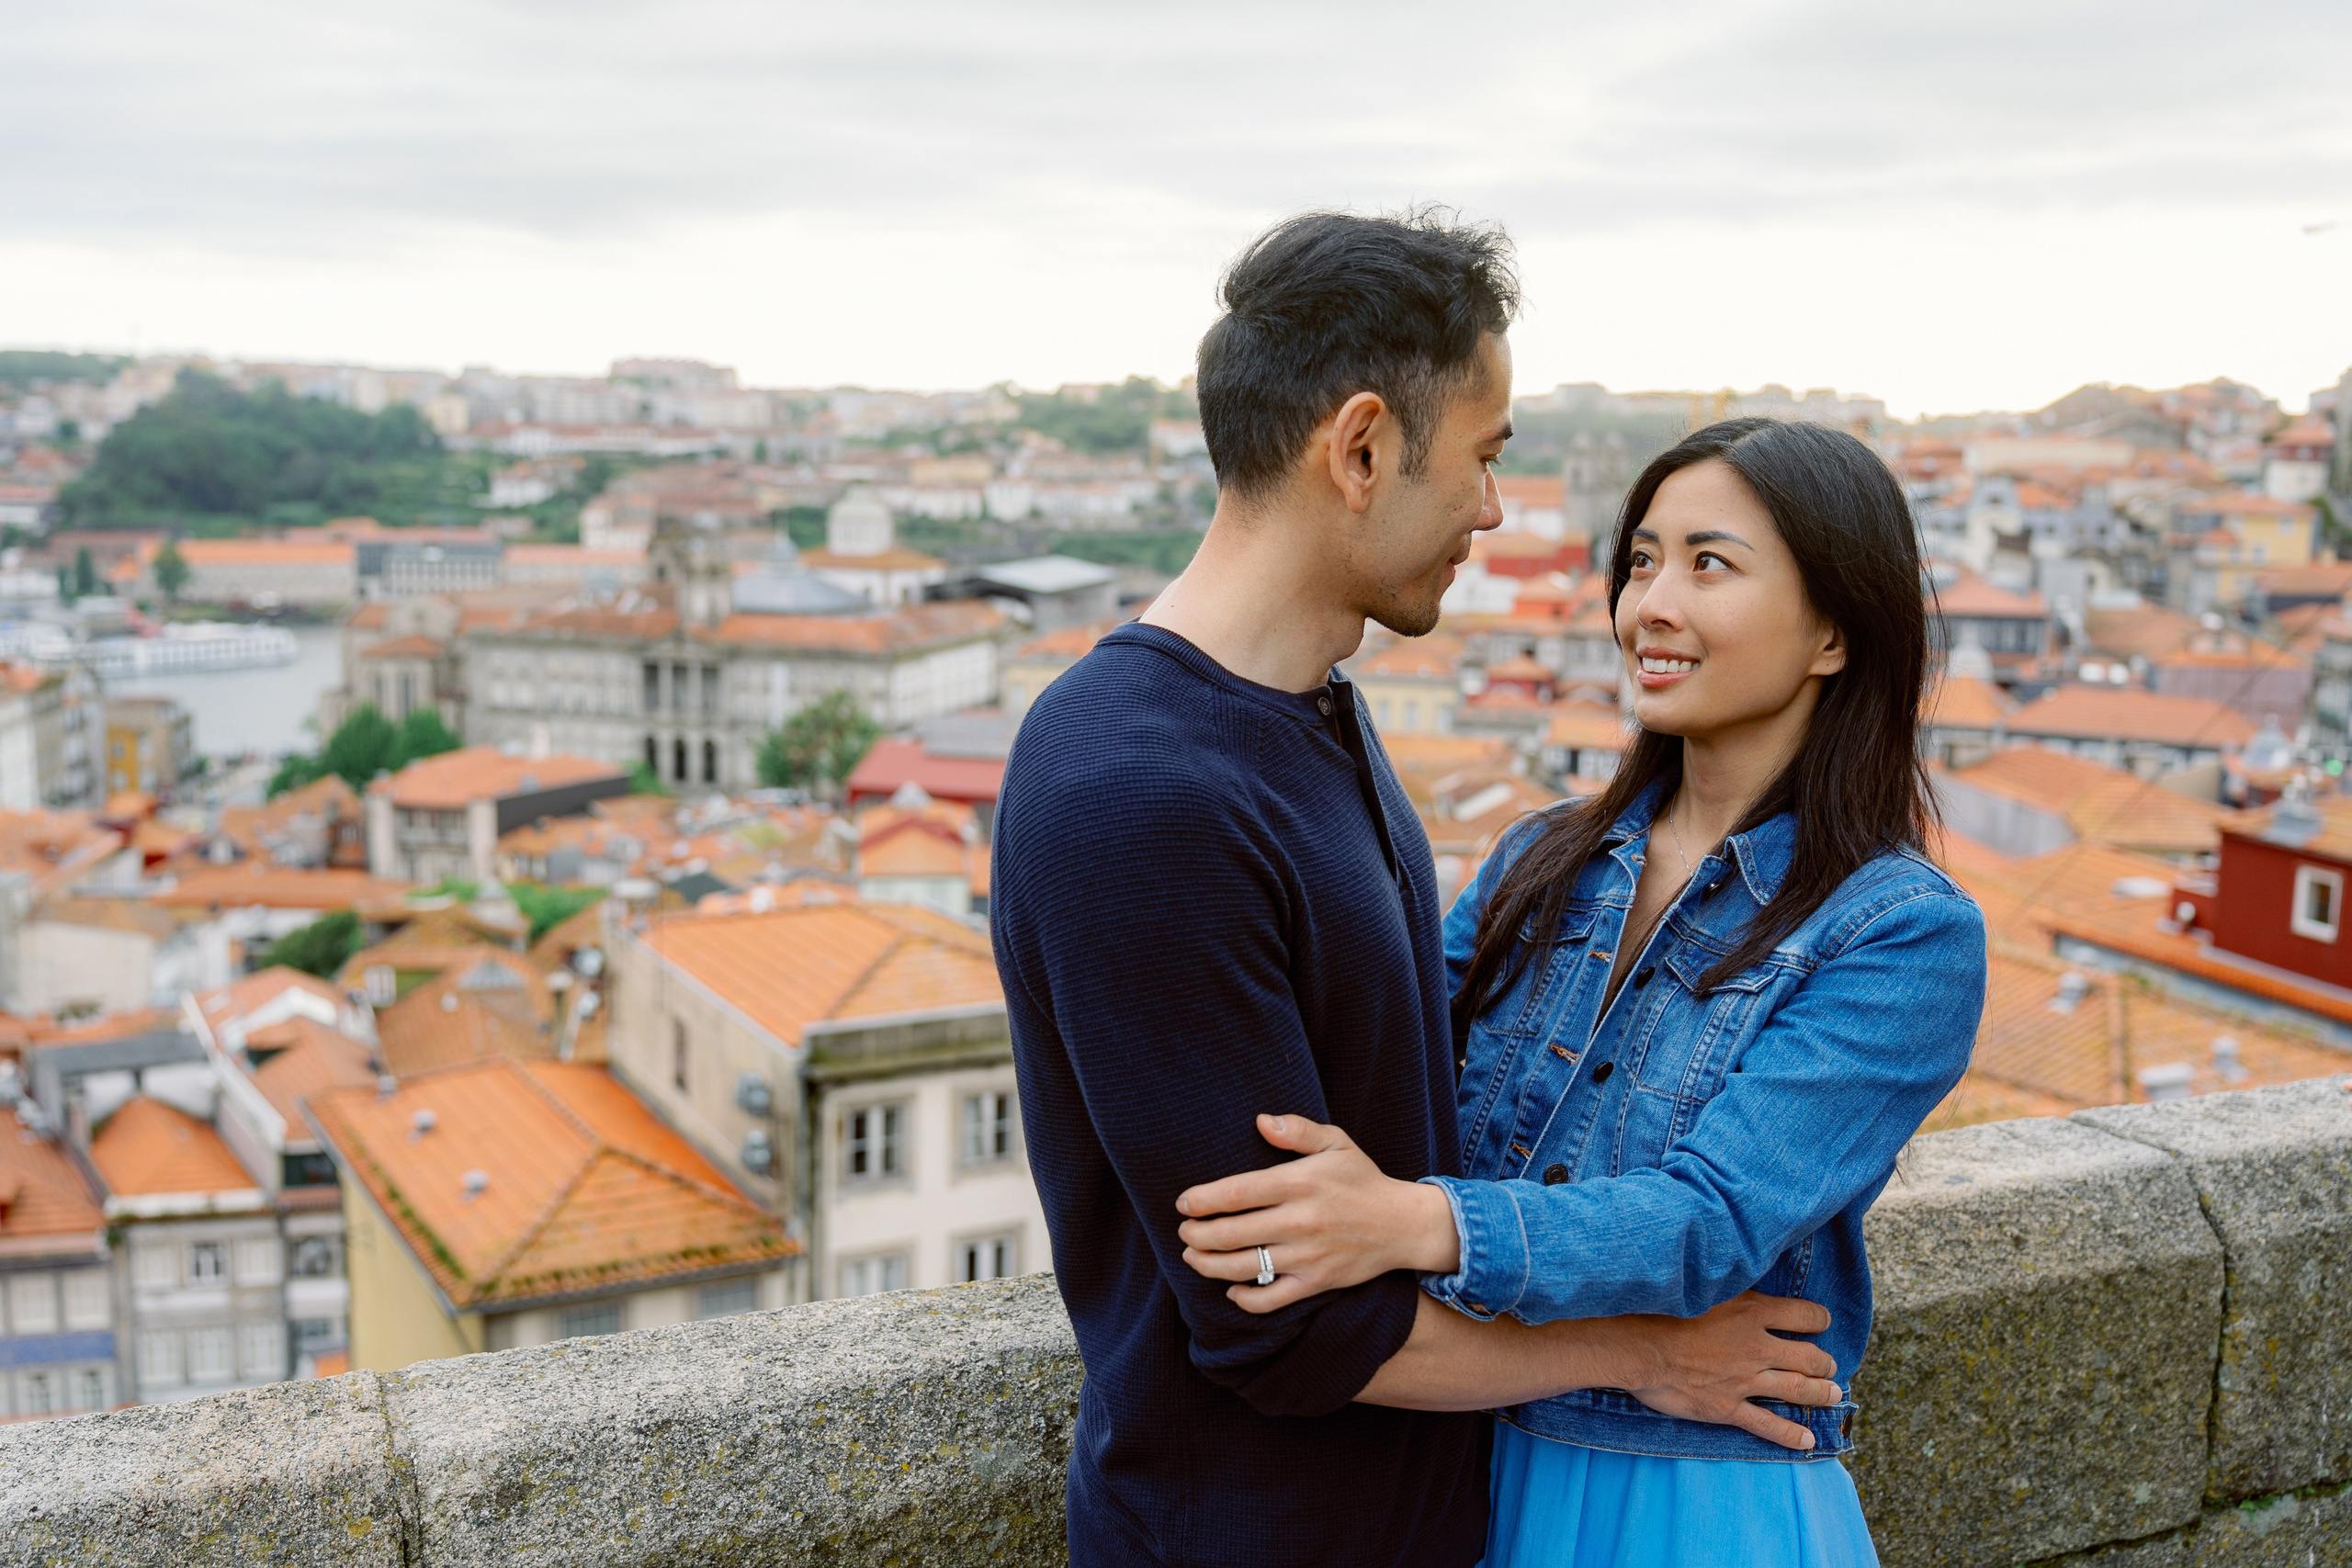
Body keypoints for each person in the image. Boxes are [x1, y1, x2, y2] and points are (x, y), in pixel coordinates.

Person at [991, 213, 1848, 1568]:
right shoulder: (1137, 792)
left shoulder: (1313, 711)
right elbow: (1286, 1321)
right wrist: (1651, 1354)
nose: (1494, 510)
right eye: (1484, 456)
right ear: (1364, 447)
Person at [1172, 417, 1990, 1567]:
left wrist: (1414, 1220)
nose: (1648, 606)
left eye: (1709, 564)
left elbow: (1707, 1223)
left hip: (1686, 1495)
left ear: (1832, 633)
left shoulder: (1898, 936)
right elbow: (1389, 1076)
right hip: (1461, 1458)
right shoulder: (1537, 861)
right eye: (1641, 561)